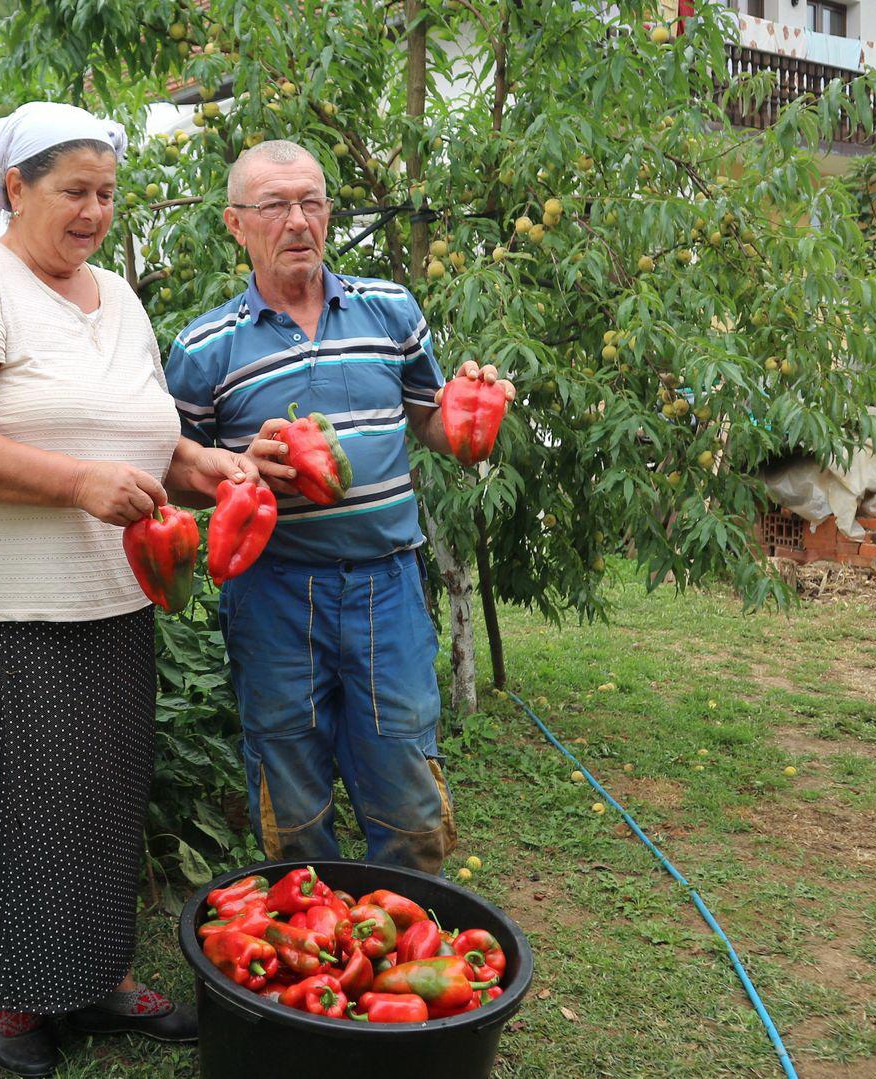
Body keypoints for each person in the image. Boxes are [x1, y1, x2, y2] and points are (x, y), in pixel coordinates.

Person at [0, 101, 254, 1076]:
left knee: (96, 797)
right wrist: (74, 481)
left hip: (109, 594)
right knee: (13, 797)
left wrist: (201, 465)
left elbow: (132, 431)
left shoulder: (119, 299)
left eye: (106, 193)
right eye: (73, 191)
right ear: (16, 188)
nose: (94, 211)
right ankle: (18, 998)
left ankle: (90, 976)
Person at [166, 140, 510, 875]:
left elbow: (435, 422)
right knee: (292, 789)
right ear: (236, 224)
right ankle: (308, 948)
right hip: (275, 594)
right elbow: (172, 474)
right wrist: (238, 469)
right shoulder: (204, 347)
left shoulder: (391, 308)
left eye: (312, 202)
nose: (298, 221)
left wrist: (476, 405)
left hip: (386, 584)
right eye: (275, 206)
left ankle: (405, 934)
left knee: (407, 778)